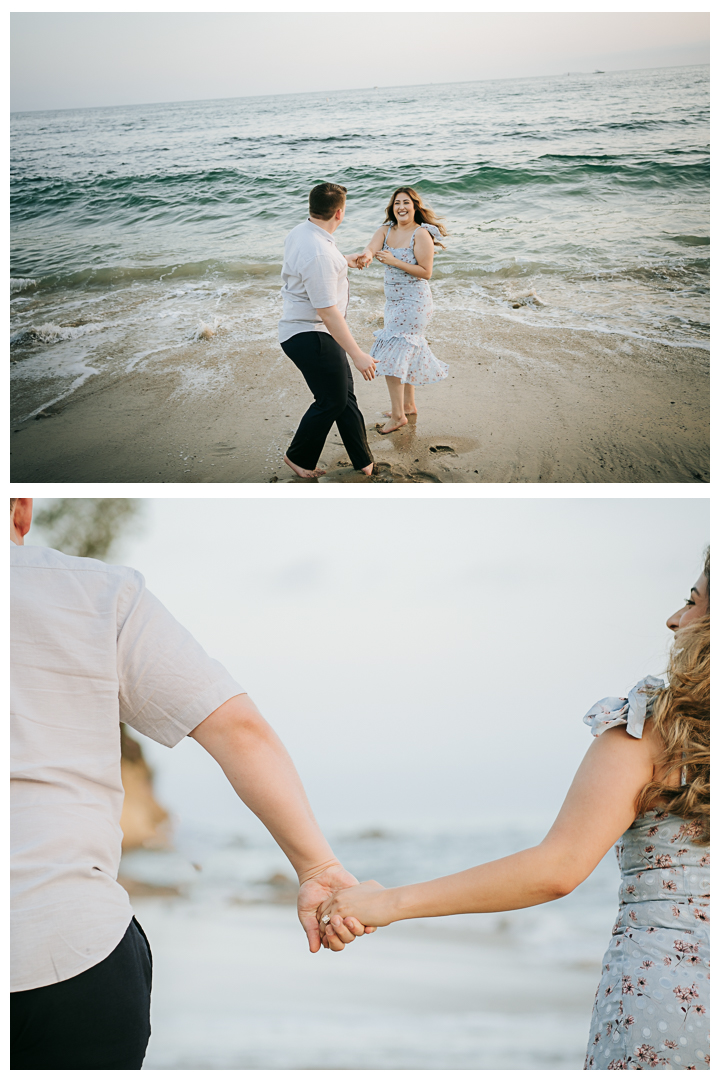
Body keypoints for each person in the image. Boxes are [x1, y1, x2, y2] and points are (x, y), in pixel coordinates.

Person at [10, 498, 369, 1070]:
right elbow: (238, 729)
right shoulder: (96, 595)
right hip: (73, 948)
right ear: (20, 511)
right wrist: (318, 868)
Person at [319, 551, 710, 1071]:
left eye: (691, 601)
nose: (674, 619)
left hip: (670, 999)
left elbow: (557, 871)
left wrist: (386, 902)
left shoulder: (649, 731)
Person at [279, 182, 377, 480]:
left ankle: (363, 460)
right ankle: (297, 457)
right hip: (311, 334)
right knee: (332, 400)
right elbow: (327, 311)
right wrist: (357, 353)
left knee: (343, 397)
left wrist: (342, 262)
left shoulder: (304, 232)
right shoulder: (320, 252)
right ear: (339, 213)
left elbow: (311, 268)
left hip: (312, 330)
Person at [356, 187, 448, 434]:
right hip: (394, 304)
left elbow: (425, 272)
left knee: (392, 355)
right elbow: (371, 248)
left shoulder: (421, 234)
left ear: (415, 206)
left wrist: (395, 261)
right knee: (404, 350)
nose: (401, 207)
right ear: (392, 207)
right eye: (397, 203)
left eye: (406, 202)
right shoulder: (386, 230)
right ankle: (408, 405)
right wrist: (366, 257)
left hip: (415, 303)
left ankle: (397, 416)